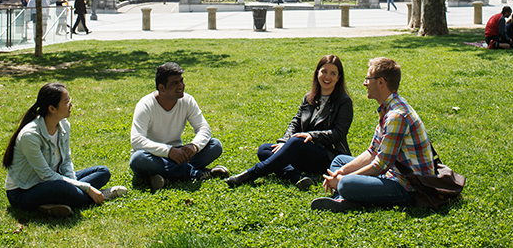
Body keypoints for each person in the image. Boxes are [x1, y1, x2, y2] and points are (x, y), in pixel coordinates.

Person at [311, 57, 435, 212]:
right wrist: (342, 172)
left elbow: (380, 165)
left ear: (381, 82)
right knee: (339, 161)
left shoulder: (396, 116)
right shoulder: (389, 107)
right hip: (390, 174)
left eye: (368, 78)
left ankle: (344, 196)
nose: (365, 83)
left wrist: (344, 179)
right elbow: (372, 152)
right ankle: (348, 197)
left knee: (345, 183)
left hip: (407, 187)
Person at [225, 55, 353, 190]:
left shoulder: (343, 101)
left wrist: (312, 136)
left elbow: (339, 133)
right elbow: (296, 121)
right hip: (303, 151)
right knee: (265, 149)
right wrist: (284, 142)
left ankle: (251, 174)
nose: (327, 77)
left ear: (339, 78)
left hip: (328, 156)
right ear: (317, 73)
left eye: (333, 73)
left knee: (297, 141)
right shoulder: (309, 97)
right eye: (324, 71)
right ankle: (298, 177)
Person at [3, 83, 127, 217]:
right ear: (52, 108)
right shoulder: (30, 136)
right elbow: (47, 175)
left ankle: (52, 204)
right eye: (66, 102)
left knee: (103, 172)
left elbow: (66, 160)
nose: (71, 105)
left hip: (55, 180)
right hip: (23, 191)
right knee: (62, 188)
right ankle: (101, 196)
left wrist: (75, 184)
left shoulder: (63, 125)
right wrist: (86, 187)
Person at [129, 62, 229, 192]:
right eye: (174, 83)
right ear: (162, 88)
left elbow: (203, 128)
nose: (181, 86)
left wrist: (194, 146)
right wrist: (168, 151)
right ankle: (197, 174)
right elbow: (136, 141)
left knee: (214, 145)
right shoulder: (145, 105)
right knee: (138, 159)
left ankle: (164, 177)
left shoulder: (187, 101)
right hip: (154, 155)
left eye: (181, 81)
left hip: (179, 154)